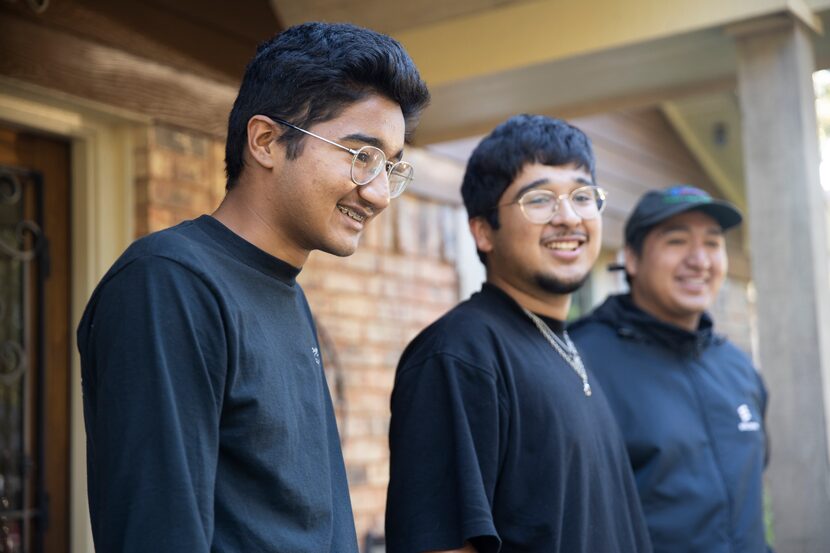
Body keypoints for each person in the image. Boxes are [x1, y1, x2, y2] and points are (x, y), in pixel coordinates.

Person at [76, 22, 429, 553]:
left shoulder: (284, 290)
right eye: (361, 156)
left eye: (391, 167)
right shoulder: (169, 283)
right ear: (266, 140)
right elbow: (157, 530)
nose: (378, 193)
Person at [385, 114, 652, 553]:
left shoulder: (565, 347)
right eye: (540, 199)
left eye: (583, 196)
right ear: (484, 230)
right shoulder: (459, 356)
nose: (568, 217)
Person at [569, 185, 771, 553]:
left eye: (712, 243)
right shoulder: (579, 364)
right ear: (631, 258)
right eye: (677, 241)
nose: (700, 260)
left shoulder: (738, 368)